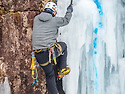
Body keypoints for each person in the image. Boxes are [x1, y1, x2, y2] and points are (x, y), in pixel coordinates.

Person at [32, 1, 73, 94]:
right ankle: (62, 68)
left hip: (38, 55)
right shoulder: (54, 20)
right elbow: (66, 20)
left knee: (49, 74)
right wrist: (69, 11)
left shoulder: (36, 19)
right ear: (53, 11)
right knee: (64, 46)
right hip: (48, 53)